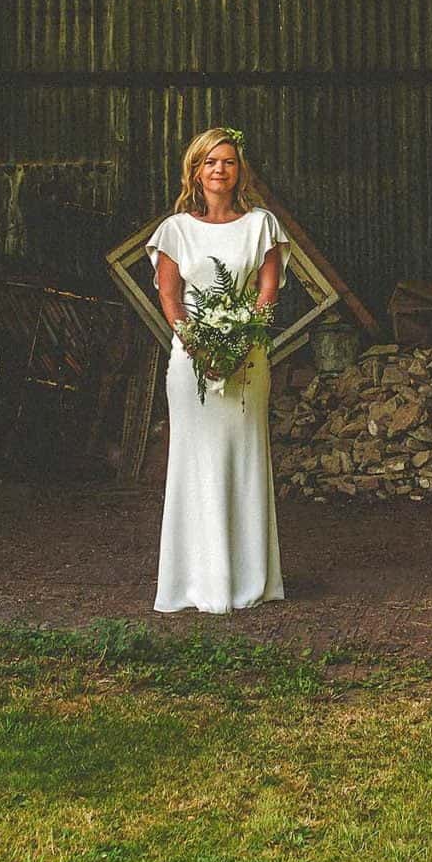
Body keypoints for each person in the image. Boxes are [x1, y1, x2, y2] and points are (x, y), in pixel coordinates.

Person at [146, 127, 288, 613]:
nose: (219, 170)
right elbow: (169, 297)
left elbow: (267, 292)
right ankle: (195, 582)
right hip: (191, 361)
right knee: (195, 462)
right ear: (195, 171)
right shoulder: (175, 230)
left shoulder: (262, 225)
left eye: (228, 161)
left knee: (244, 459)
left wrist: (243, 338)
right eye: (210, 162)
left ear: (239, 170)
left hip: (248, 359)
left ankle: (248, 580)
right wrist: (199, 345)